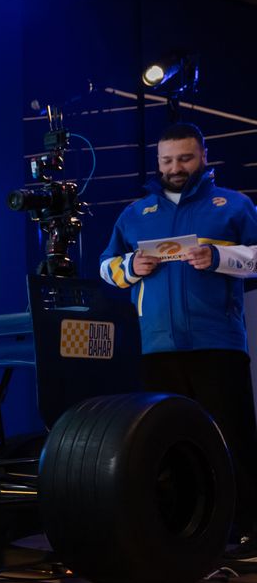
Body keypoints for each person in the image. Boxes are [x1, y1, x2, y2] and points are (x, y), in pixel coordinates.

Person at [99, 122, 257, 550]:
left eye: (185, 158)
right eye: (167, 160)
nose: (175, 168)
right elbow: (105, 267)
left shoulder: (234, 205)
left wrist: (219, 256)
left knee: (232, 437)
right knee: (167, 441)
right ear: (158, 161)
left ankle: (247, 530)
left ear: (203, 156)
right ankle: (180, 528)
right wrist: (131, 267)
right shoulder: (135, 213)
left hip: (218, 343)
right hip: (156, 347)